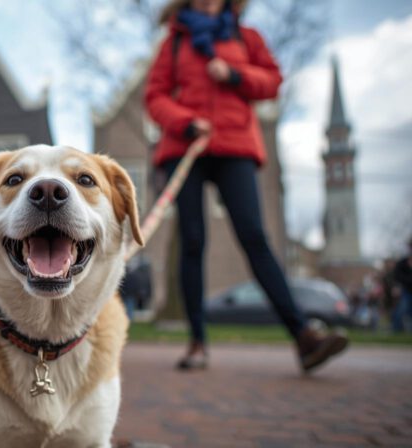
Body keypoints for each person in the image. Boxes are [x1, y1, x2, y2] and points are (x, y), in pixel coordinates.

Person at [144, 0, 348, 372]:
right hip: (187, 144)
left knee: (254, 236)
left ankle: (302, 335)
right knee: (192, 240)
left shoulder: (245, 36)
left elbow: (272, 82)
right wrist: (188, 122)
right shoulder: (174, 42)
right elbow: (154, 98)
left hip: (235, 144)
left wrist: (234, 74)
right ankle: (197, 342)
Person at [392, 238, 412, 332]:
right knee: (401, 311)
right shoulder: (403, 263)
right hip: (406, 291)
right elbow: (397, 276)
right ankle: (396, 330)